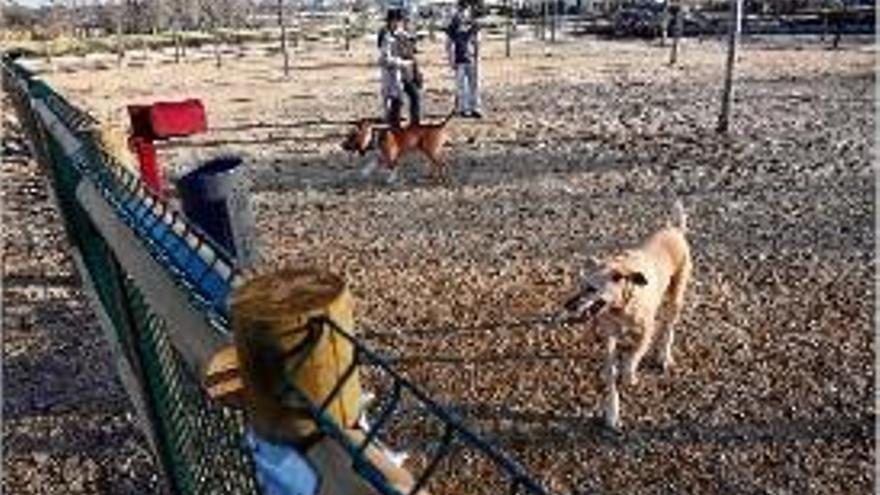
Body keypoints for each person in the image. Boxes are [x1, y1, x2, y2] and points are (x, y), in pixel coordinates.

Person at [378, 9, 415, 129]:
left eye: (399, 21)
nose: (398, 23)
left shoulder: (399, 34)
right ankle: (392, 122)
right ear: (391, 21)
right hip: (389, 70)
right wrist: (403, 63)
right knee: (390, 96)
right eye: (396, 21)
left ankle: (394, 121)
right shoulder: (387, 37)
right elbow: (385, 59)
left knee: (397, 96)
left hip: (397, 71)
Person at [445, 0, 482, 118]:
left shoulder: (473, 24)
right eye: (461, 9)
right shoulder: (453, 25)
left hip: (471, 59)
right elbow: (448, 44)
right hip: (459, 59)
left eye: (465, 9)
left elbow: (477, 41)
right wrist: (451, 60)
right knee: (461, 86)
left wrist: (477, 56)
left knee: (474, 84)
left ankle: (475, 107)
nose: (463, 12)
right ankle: (464, 108)